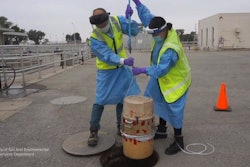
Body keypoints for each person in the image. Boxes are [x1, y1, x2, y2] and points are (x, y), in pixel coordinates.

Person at [131, 0, 192, 155]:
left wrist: (142, 69)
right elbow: (147, 17)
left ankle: (179, 140)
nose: (154, 37)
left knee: (173, 108)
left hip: (175, 80)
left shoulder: (171, 48)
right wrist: (137, 3)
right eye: (152, 34)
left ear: (163, 31)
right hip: (161, 78)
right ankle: (162, 130)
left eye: (155, 34)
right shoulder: (160, 27)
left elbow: (160, 70)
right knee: (155, 98)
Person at [87, 6, 140, 147]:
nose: (102, 26)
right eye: (98, 25)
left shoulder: (116, 21)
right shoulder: (94, 37)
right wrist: (122, 60)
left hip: (122, 70)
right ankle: (93, 130)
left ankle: (120, 126)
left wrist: (129, 20)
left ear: (107, 18)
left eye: (103, 23)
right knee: (100, 100)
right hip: (107, 71)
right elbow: (106, 55)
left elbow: (134, 31)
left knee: (124, 98)